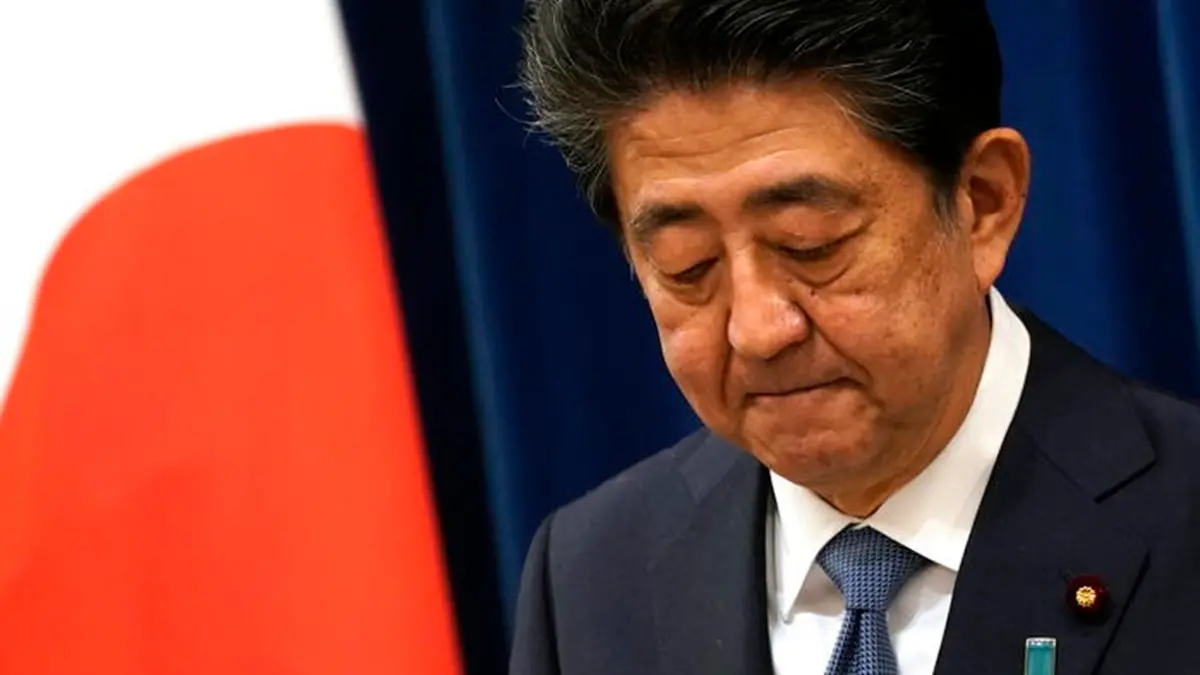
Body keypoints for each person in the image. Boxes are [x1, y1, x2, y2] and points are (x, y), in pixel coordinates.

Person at [509, 1, 1200, 673]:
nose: (757, 330)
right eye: (690, 264)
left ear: (982, 202)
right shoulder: (590, 576)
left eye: (809, 244)